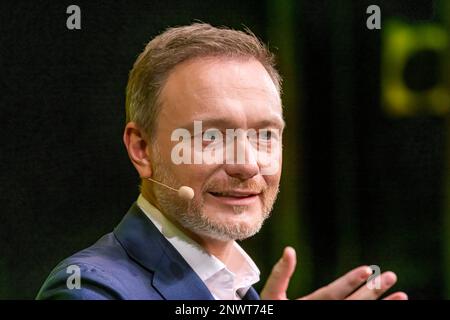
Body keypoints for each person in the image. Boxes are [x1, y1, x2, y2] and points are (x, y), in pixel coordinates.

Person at [37, 23, 407, 300]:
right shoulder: (88, 290)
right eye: (211, 136)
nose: (247, 165)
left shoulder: (239, 292)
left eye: (265, 135)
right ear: (142, 149)